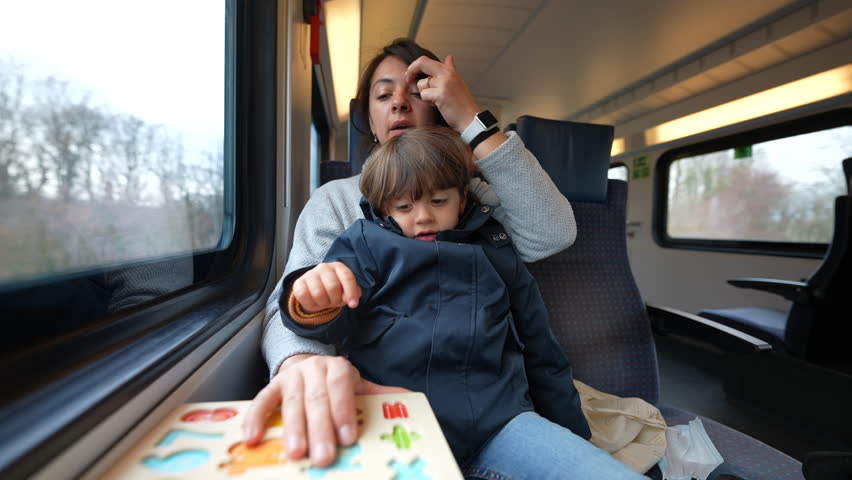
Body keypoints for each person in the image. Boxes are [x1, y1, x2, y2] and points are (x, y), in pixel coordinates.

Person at [243, 38, 580, 470]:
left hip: (493, 413)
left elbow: (552, 233)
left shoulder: (471, 197)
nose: (399, 104)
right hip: (382, 407)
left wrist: (472, 121)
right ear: (369, 116)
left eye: (416, 92)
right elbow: (299, 298)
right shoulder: (336, 201)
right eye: (383, 95)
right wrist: (304, 364)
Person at [278, 126, 645, 479]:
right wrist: (311, 301)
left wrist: (571, 435)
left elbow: (542, 351)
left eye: (439, 201)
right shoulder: (364, 246)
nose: (423, 216)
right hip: (397, 419)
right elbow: (334, 317)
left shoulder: (497, 251)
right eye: (404, 206)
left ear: (463, 198)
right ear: (385, 209)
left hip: (498, 423)